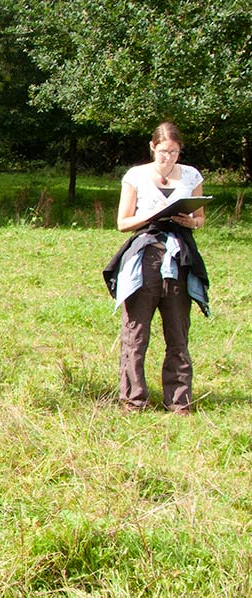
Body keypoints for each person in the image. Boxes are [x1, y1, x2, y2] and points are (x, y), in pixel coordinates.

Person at [104, 122, 207, 415]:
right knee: (136, 331)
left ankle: (178, 401)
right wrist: (153, 213)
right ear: (152, 148)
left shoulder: (191, 175)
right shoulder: (136, 176)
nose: (168, 158)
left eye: (174, 152)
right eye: (163, 152)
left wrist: (192, 221)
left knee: (178, 331)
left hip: (179, 257)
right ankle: (133, 399)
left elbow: (200, 217)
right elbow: (123, 222)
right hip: (145, 255)